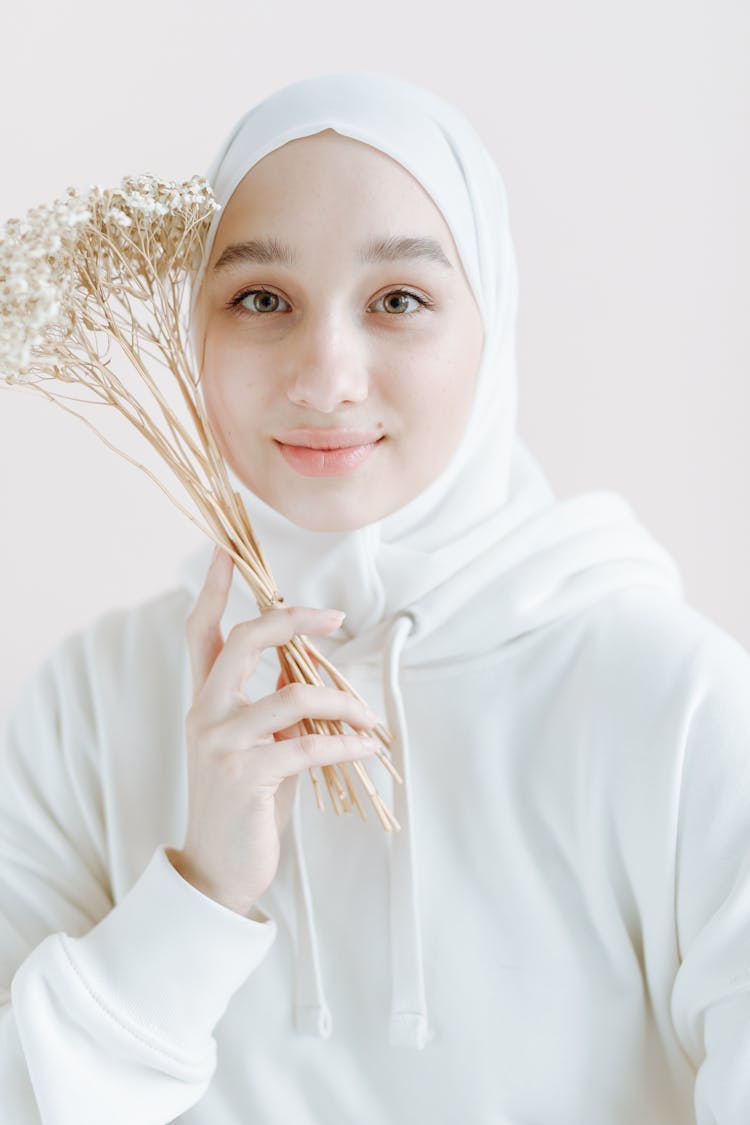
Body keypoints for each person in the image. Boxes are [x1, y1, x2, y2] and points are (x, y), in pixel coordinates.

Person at [1, 70, 749, 1125]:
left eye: (399, 301)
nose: (326, 374)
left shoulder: (671, 703)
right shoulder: (91, 702)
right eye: (262, 300)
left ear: (493, 333)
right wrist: (199, 891)